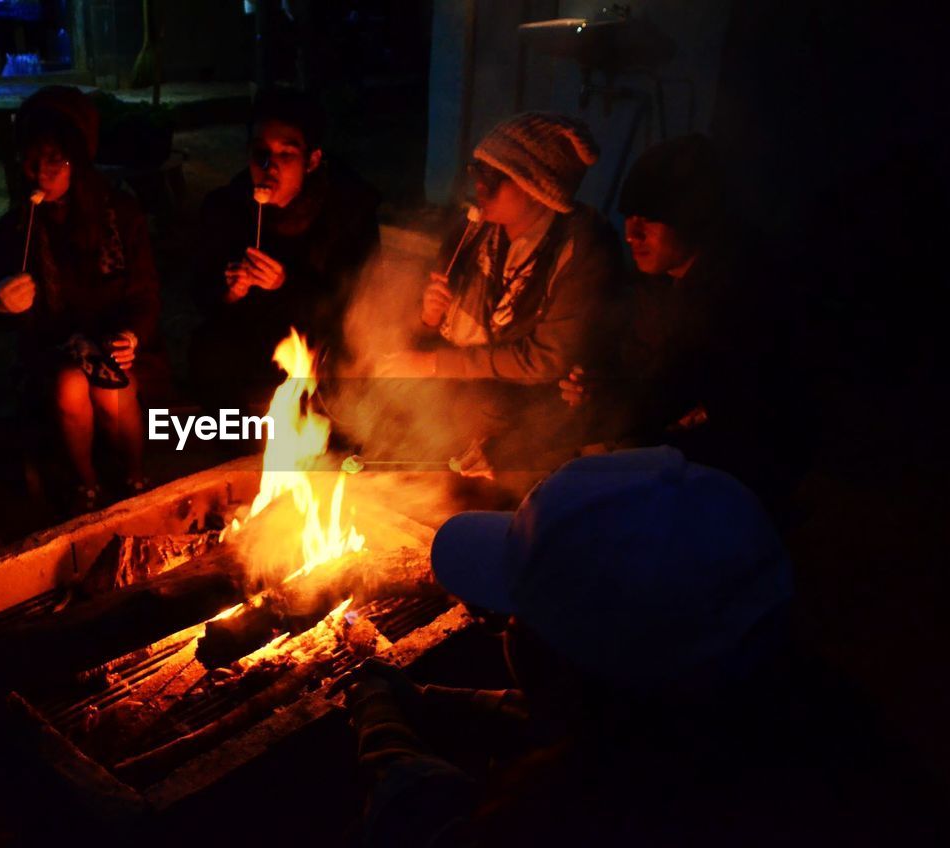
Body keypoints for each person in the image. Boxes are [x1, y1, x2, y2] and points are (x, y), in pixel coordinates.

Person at [342, 447, 939, 845]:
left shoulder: (588, 816)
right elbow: (616, 729)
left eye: (515, 621)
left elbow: (434, 823)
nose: (509, 633)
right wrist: (436, 702)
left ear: (572, 667)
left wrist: (385, 739)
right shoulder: (814, 719)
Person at [377, 112, 622, 477]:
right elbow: (433, 329)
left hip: (530, 431)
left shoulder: (581, 249)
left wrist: (432, 365)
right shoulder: (475, 232)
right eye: (479, 171)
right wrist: (428, 316)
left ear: (536, 186)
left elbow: (544, 360)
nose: (480, 186)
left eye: (495, 177)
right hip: (458, 414)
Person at [558, 134, 793, 501]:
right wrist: (596, 383)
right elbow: (638, 366)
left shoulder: (738, 293)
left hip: (734, 479)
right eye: (629, 217)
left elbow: (681, 391)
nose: (632, 234)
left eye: (650, 220)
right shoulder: (657, 284)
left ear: (693, 220)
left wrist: (601, 415)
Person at [0, 87, 161, 513]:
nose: (40, 173)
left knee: (110, 388)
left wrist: (131, 336)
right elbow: (9, 311)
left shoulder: (118, 213)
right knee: (68, 385)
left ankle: (134, 473)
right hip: (54, 347)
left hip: (114, 341)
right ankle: (86, 484)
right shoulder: (18, 226)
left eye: (55, 161)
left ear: (78, 162)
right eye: (31, 160)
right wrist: (0, 300)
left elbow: (145, 292)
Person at [190, 88, 380, 412]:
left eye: (286, 155)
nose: (270, 167)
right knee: (210, 356)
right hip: (250, 344)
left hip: (316, 343)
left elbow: (354, 308)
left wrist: (286, 286)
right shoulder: (226, 207)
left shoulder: (348, 210)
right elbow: (199, 294)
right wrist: (230, 292)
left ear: (312, 160)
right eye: (260, 153)